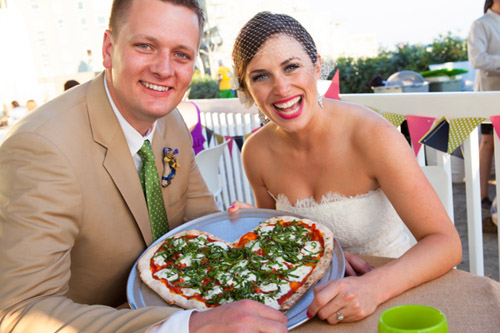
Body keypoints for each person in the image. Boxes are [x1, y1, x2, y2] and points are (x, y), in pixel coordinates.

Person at [0, 1, 287, 332]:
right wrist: (188, 326)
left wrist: (286, 253)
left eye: (181, 54)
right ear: (109, 49)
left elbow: (203, 222)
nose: (164, 69)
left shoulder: (171, 120)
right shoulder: (41, 147)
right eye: (145, 46)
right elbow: (20, 311)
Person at [229, 12, 462, 324]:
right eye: (261, 76)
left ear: (316, 66)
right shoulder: (254, 152)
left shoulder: (373, 136)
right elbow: (283, 244)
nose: (281, 88)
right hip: (312, 306)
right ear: (245, 88)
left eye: (291, 67)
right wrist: (254, 229)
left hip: (397, 294)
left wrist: (373, 286)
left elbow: (446, 244)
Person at [468, 0, 500, 230]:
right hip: (489, 93)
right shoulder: (480, 24)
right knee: (488, 142)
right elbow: (477, 59)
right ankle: (481, 195)